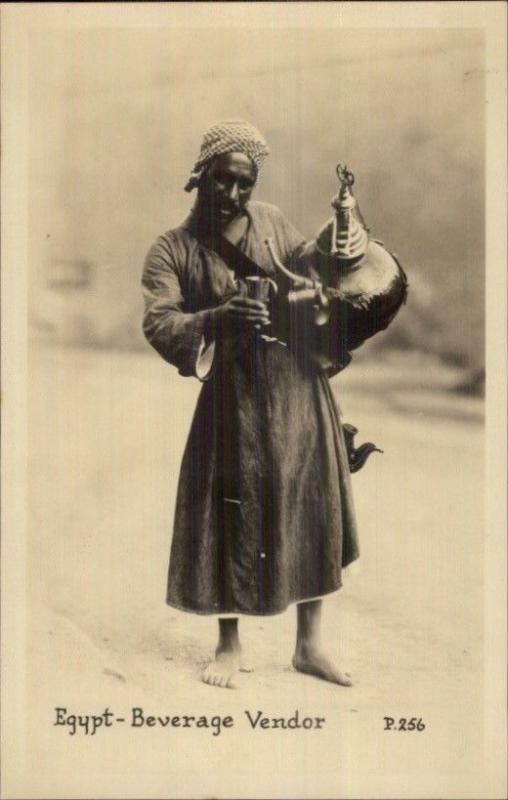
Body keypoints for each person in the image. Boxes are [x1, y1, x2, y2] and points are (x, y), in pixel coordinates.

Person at [142, 120, 407, 689]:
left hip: (297, 389)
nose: (234, 194)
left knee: (311, 504)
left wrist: (336, 255)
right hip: (231, 400)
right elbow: (160, 322)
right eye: (222, 180)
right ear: (199, 176)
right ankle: (229, 644)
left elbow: (312, 272)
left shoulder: (273, 223)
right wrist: (219, 318)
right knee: (230, 508)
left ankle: (309, 645)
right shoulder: (172, 249)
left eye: (245, 182)